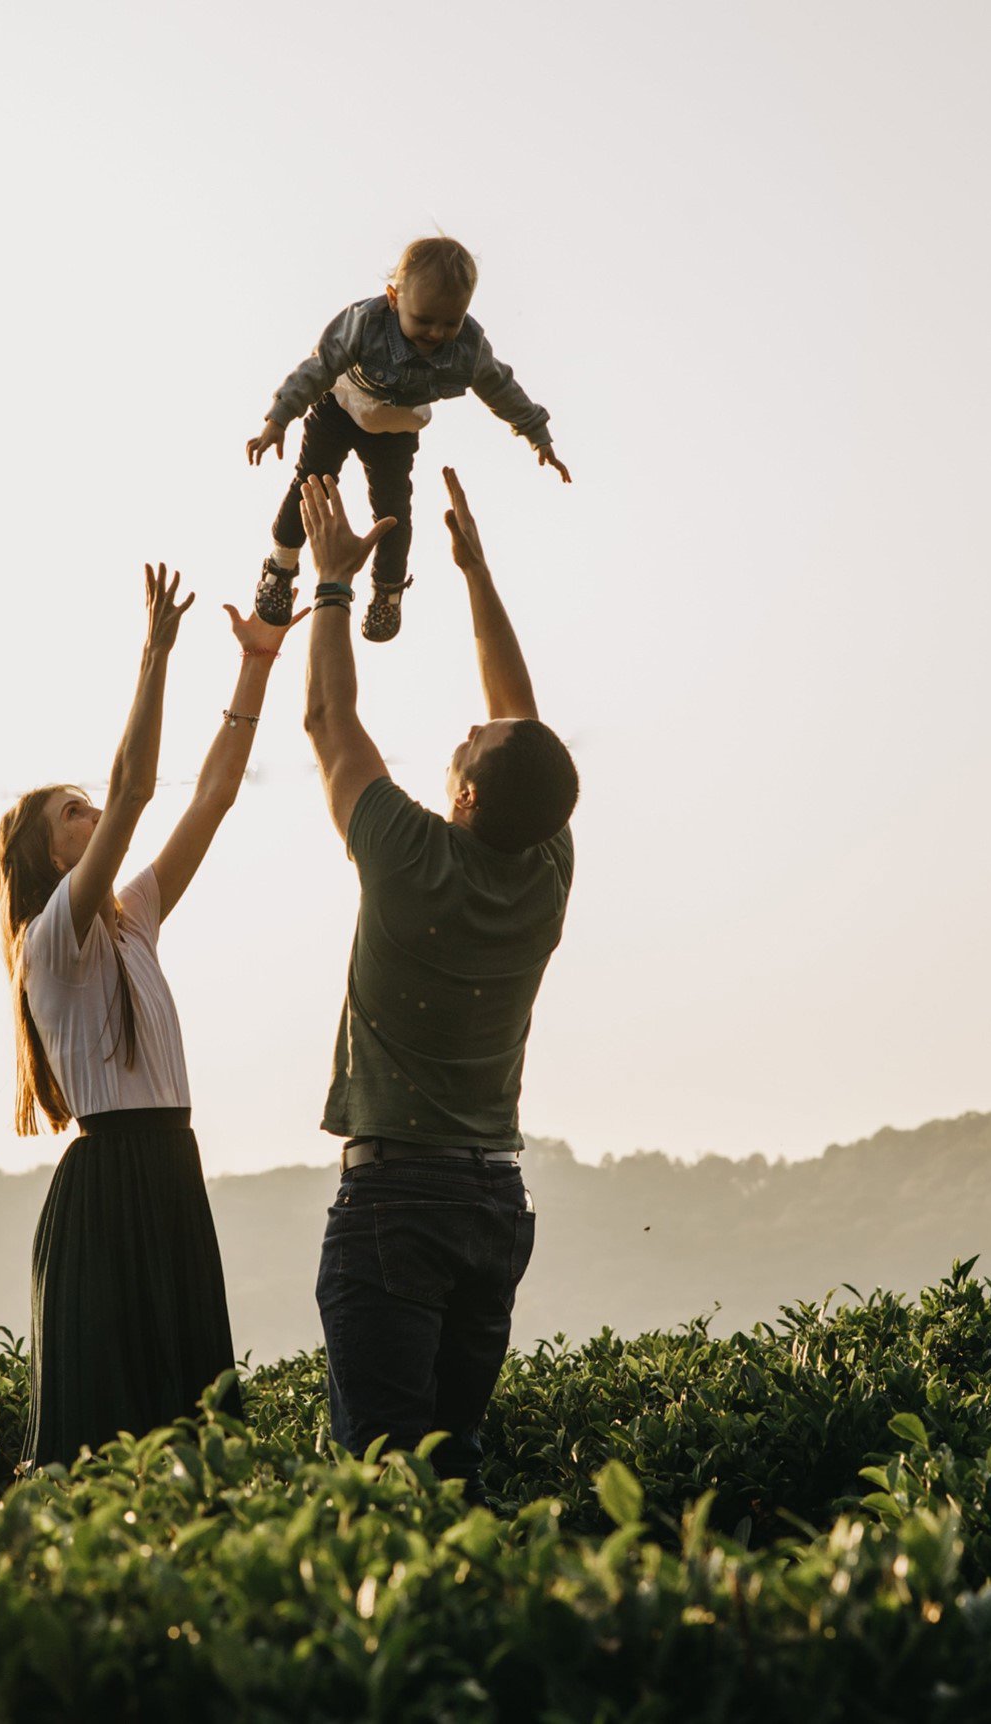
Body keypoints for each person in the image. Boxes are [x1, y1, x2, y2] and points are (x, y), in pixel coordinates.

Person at [297, 467, 579, 1501]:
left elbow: (329, 721)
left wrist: (332, 585)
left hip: (398, 1197)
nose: (467, 726)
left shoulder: (410, 855)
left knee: (379, 1479)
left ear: (460, 793)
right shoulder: (544, 865)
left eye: (466, 745)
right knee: (454, 1473)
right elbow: (524, 727)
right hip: (492, 1199)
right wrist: (474, 574)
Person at [0, 564, 299, 1468]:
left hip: (169, 1170)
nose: (94, 816)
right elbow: (136, 792)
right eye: (72, 813)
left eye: (87, 806)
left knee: (194, 1434)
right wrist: (155, 656)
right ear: (45, 853)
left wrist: (257, 666)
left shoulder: (132, 920)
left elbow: (210, 798)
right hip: (110, 1187)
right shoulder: (52, 936)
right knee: (105, 1443)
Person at [245, 235, 571, 644]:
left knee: (393, 509)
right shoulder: (365, 322)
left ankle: (388, 590)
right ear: (394, 298)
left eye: (450, 322)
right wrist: (279, 417)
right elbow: (320, 365)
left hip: (395, 428)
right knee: (312, 482)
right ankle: (281, 564)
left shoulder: (468, 350)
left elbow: (501, 388)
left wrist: (536, 434)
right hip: (341, 405)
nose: (436, 333)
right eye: (424, 320)